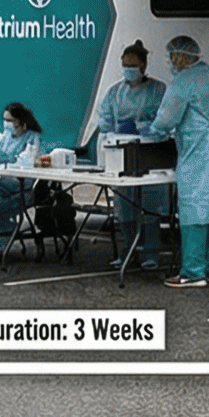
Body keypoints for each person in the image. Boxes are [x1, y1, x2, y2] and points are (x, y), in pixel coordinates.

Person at [147, 34, 209, 289]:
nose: (171, 61)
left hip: (201, 148)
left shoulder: (185, 79)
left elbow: (167, 118)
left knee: (195, 206)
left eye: (172, 56)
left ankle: (193, 272)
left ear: (181, 56)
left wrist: (151, 130)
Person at [86, 40, 172, 270]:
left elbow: (164, 121)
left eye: (133, 65)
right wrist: (114, 129)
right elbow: (104, 118)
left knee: (150, 204)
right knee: (125, 205)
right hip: (122, 153)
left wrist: (143, 127)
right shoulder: (115, 92)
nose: (128, 70)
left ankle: (150, 253)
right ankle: (129, 251)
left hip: (150, 153)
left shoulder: (158, 90)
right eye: (125, 65)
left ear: (143, 66)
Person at [0, 101, 44, 259]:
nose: (6, 123)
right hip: (6, 183)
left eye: (10, 120)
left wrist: (9, 161)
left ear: (20, 121)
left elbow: (28, 161)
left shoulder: (32, 137)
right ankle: (0, 238)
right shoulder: (6, 138)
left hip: (24, 186)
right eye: (5, 120)